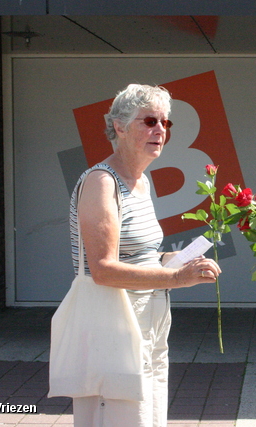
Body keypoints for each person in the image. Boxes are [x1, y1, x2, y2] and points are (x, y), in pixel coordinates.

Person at [69, 84, 221, 426]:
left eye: (166, 123)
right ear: (120, 127)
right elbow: (104, 270)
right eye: (149, 121)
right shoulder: (101, 182)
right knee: (121, 416)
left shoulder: (141, 181)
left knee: (148, 415)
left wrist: (180, 261)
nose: (160, 130)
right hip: (113, 323)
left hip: (149, 321)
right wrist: (177, 278)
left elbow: (139, 256)